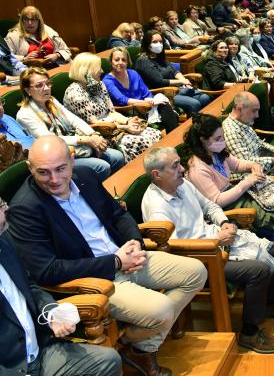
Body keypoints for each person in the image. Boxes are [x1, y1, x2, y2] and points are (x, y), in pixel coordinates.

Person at [6, 136, 207, 376]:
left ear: (72, 160)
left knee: (197, 272)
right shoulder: (24, 208)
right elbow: (47, 270)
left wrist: (135, 243)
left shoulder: (86, 176)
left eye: (60, 169)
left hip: (126, 256)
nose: (54, 179)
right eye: (43, 172)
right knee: (162, 310)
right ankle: (143, 348)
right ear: (30, 169)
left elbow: (118, 215)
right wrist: (116, 262)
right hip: (96, 279)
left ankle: (136, 344)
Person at [141, 146, 274, 354]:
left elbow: (210, 206)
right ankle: (249, 333)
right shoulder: (156, 206)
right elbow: (173, 248)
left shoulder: (182, 184)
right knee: (258, 270)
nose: (182, 169)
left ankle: (270, 304)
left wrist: (224, 222)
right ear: (157, 174)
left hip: (214, 239)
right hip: (198, 259)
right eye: (175, 166)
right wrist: (216, 240)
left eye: (180, 163)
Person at [0, 199, 122, 376]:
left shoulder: (5, 239)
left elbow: (30, 287)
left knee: (108, 361)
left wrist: (51, 313)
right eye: (1, 207)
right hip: (10, 368)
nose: (6, 211)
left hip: (40, 351)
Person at [181, 114, 274, 282]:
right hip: (224, 208)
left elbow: (237, 164)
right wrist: (246, 182)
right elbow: (217, 201)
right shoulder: (197, 168)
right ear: (203, 140)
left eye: (222, 136)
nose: (222, 141)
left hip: (236, 194)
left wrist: (254, 166)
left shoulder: (217, 152)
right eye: (218, 138)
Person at [16, 67, 126, 178]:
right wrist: (86, 140)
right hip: (57, 158)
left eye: (48, 83)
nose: (46, 88)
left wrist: (93, 135)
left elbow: (74, 119)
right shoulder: (25, 115)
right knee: (102, 167)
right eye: (39, 85)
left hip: (77, 145)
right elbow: (51, 139)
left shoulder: (51, 101)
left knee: (117, 157)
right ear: (27, 90)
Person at [63, 53, 163, 161]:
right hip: (102, 133)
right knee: (142, 141)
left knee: (154, 133)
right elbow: (94, 124)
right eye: (98, 68)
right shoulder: (75, 93)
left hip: (116, 125)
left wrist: (128, 121)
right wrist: (125, 127)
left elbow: (111, 112)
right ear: (86, 70)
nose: (101, 71)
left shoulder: (99, 84)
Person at [102, 47, 179, 133]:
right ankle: (174, 134)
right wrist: (147, 103)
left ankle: (173, 134)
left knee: (163, 105)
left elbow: (146, 92)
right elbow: (122, 100)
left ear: (127, 62)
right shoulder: (107, 81)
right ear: (111, 61)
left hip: (146, 106)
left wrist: (150, 99)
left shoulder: (133, 73)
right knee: (167, 111)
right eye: (117, 60)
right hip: (129, 110)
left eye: (123, 60)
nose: (120, 62)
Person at [134, 30, 212, 115]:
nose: (159, 44)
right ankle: (196, 123)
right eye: (155, 42)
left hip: (176, 89)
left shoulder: (159, 57)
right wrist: (181, 82)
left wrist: (184, 80)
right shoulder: (143, 60)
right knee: (194, 104)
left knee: (205, 98)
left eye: (160, 42)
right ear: (147, 44)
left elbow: (174, 71)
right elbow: (159, 81)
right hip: (160, 93)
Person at [4, 6, 72, 66]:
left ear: (39, 21)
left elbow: (66, 50)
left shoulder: (48, 30)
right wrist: (24, 58)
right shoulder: (13, 36)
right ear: (22, 21)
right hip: (30, 70)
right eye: (26, 19)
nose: (29, 23)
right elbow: (5, 57)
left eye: (33, 19)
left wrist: (57, 55)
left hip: (56, 65)